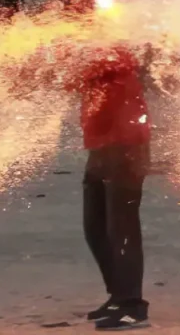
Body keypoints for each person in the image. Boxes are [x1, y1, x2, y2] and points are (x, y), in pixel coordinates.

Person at [64, 45, 152, 330]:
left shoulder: (115, 56)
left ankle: (132, 306)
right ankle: (118, 295)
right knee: (96, 227)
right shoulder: (91, 54)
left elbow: (84, 81)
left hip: (126, 148)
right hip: (100, 148)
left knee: (121, 229)